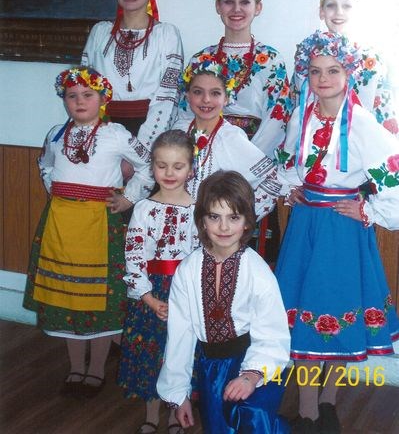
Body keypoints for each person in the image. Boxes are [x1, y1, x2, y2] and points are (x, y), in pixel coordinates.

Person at [275, 31, 399, 434]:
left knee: (332, 311)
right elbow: (289, 159)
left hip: (340, 230)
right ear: (306, 75)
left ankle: (325, 402)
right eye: (315, 71)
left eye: (333, 70)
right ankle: (311, 409)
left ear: (348, 74)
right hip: (306, 224)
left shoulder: (361, 122)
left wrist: (369, 208)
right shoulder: (302, 114)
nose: (323, 78)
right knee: (305, 311)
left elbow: (392, 176)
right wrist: (289, 185)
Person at [23, 66, 153, 397]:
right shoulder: (56, 134)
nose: (79, 102)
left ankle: (96, 369)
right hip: (61, 225)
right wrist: (55, 189)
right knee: (67, 295)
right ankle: (75, 368)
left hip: (100, 224)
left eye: (87, 95)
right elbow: (46, 164)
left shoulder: (117, 135)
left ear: (103, 98)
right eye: (71, 96)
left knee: (98, 298)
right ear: (64, 100)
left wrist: (128, 198)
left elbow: (148, 165)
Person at [156, 170, 291, 433]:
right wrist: (178, 393)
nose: (224, 227)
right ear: (202, 220)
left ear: (246, 222)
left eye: (234, 217)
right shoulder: (188, 269)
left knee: (253, 420)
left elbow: (272, 333)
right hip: (212, 370)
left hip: (253, 362)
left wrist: (252, 375)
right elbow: (180, 334)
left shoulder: (257, 271)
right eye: (214, 217)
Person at [82, 0, 184, 208]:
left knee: (139, 217)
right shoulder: (99, 33)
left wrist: (138, 155)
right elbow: (85, 92)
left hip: (149, 129)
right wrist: (99, 141)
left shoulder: (166, 35)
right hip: (103, 128)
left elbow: (167, 98)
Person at [177, 0, 292, 159]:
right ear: (218, 6)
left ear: (258, 7)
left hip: (253, 159)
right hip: (205, 155)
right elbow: (184, 113)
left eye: (245, 2)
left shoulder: (270, 60)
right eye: (228, 1)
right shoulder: (201, 60)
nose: (236, 10)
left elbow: (277, 119)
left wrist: (244, 160)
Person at [117, 130, 199, 434]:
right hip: (154, 293)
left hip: (188, 292)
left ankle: (180, 411)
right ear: (152, 167)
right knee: (152, 352)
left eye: (178, 166)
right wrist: (148, 298)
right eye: (161, 165)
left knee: (183, 352)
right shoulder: (143, 209)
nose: (169, 173)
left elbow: (205, 255)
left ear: (191, 169)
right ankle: (152, 413)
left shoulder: (200, 210)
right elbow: (135, 257)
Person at [291, 0, 398, 136]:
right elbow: (296, 102)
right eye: (331, 5)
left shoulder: (373, 59)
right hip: (315, 141)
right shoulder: (307, 54)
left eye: (347, 6)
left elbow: (384, 114)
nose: (338, 12)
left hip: (359, 146)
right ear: (321, 11)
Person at [174, 55, 282, 219]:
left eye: (215, 93)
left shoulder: (231, 138)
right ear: (188, 95)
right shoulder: (179, 130)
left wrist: (240, 219)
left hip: (212, 232)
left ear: (226, 98)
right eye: (197, 92)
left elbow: (273, 179)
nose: (206, 99)